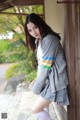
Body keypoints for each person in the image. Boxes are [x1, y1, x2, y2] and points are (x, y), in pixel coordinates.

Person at [25, 13, 70, 120]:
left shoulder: (50, 40)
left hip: (57, 82)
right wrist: (37, 82)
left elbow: (45, 68)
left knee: (36, 109)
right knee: (43, 107)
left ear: (40, 24)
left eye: (35, 27)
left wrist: (37, 87)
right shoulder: (39, 41)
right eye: (30, 30)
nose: (33, 32)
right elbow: (42, 65)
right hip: (50, 80)